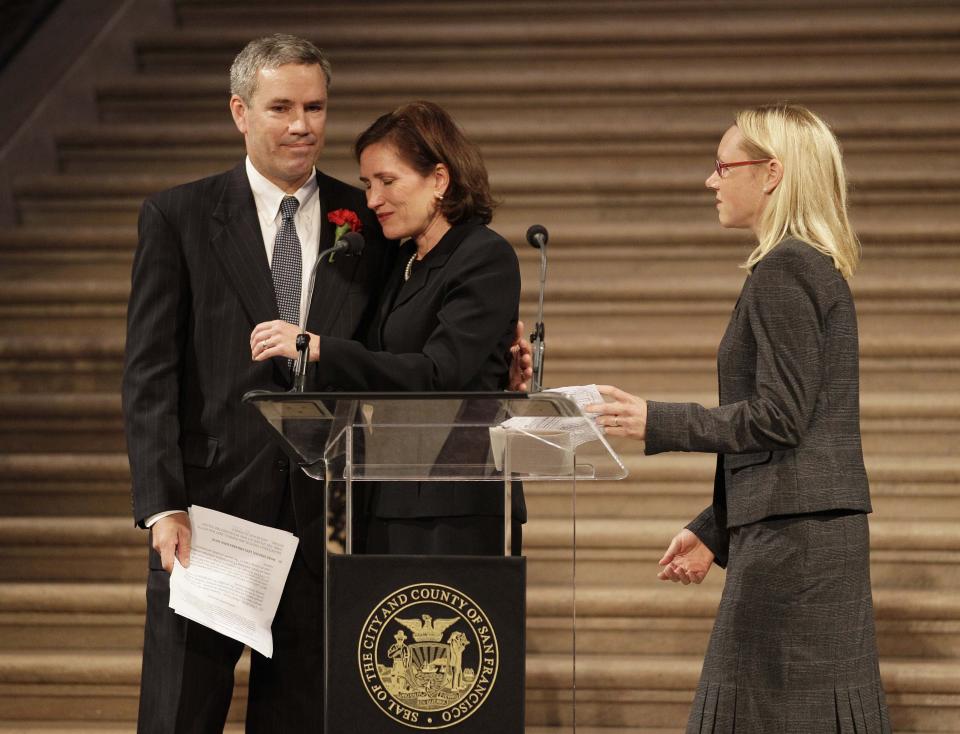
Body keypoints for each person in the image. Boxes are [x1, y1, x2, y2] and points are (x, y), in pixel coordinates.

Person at [122, 36, 529, 732]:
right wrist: (162, 506)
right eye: (281, 106)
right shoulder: (179, 217)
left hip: (329, 516)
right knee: (178, 712)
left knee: (304, 716)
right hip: (212, 515)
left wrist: (500, 360)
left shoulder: (370, 221)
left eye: (315, 106)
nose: (302, 124)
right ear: (240, 112)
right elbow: (150, 374)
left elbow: (403, 343)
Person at [586, 104, 891, 732]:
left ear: (772, 172)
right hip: (799, 533)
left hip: (796, 549)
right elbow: (793, 433)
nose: (711, 180)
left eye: (724, 165)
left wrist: (658, 421)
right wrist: (715, 527)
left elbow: (780, 419)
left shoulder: (784, 269)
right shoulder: (801, 265)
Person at [251, 100, 525, 556]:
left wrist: (323, 349)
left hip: (454, 503)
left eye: (387, 181)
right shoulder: (403, 260)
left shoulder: (483, 257)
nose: (372, 199)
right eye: (367, 183)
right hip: (385, 490)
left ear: (439, 180)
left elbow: (442, 375)